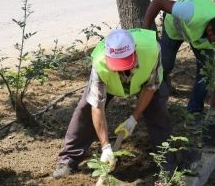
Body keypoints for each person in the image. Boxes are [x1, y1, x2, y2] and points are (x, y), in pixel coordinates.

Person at [53, 28, 171, 178]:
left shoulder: (152, 50)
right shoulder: (100, 62)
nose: (123, 69)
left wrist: (134, 118)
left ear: (134, 51)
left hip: (145, 81)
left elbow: (150, 88)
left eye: (126, 63)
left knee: (157, 110)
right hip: (109, 84)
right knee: (85, 109)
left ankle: (167, 160)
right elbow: (97, 106)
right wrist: (106, 146)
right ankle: (69, 159)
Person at [142, 0, 215, 115]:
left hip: (196, 37)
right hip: (174, 29)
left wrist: (214, 109)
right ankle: (149, 102)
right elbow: (157, 2)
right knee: (164, 65)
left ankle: (194, 112)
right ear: (210, 31)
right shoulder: (190, 12)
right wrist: (144, 34)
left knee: (206, 72)